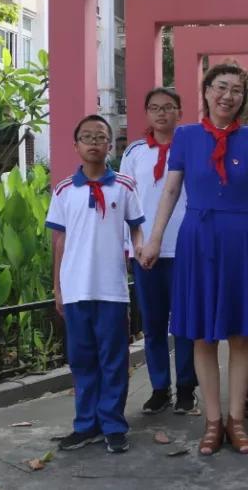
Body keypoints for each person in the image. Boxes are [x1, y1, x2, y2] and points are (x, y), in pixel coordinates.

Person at [138, 61, 248, 456]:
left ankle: (237, 420)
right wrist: (154, 240)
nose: (228, 96)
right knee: (203, 335)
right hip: (197, 238)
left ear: (243, 98)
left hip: (241, 239)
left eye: (236, 90)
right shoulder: (185, 137)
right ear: (206, 92)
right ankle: (211, 421)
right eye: (221, 87)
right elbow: (170, 193)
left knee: (241, 334)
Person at [48, 115, 145, 455]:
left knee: (114, 360)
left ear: (110, 146)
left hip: (112, 290)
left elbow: (136, 228)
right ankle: (85, 424)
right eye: (86, 136)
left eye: (100, 136)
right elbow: (58, 242)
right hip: (76, 290)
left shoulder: (125, 186)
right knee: (82, 359)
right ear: (76, 146)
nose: (93, 142)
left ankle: (114, 424)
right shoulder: (63, 190)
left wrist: (141, 248)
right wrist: (58, 288)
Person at [122, 89, 199, 415]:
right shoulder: (135, 152)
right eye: (155, 108)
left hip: (184, 249)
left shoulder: (192, 148)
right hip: (146, 253)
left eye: (168, 108)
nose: (162, 114)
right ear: (147, 113)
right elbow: (125, 199)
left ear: (180, 112)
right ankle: (158, 387)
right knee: (153, 325)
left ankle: (185, 388)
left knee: (184, 323)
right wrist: (131, 246)